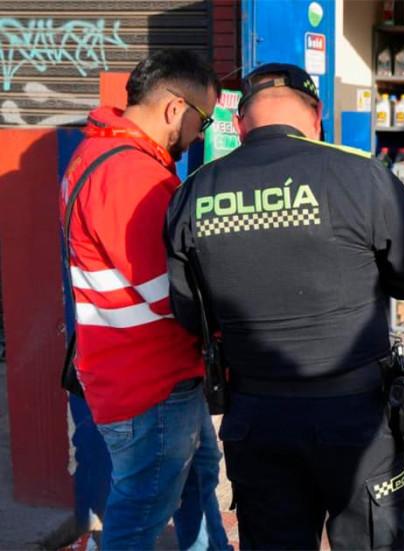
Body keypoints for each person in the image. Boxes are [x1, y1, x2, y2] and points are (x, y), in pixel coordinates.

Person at [166, 63, 404, 549]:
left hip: (256, 416)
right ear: (316, 115)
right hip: (355, 415)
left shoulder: (194, 192)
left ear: (239, 123)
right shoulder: (360, 175)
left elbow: (189, 311)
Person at [59, 49, 228, 550]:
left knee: (198, 478)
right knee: (139, 517)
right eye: (205, 118)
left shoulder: (95, 152)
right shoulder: (135, 176)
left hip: (139, 371)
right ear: (176, 109)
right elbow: (171, 294)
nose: (201, 133)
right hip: (150, 383)